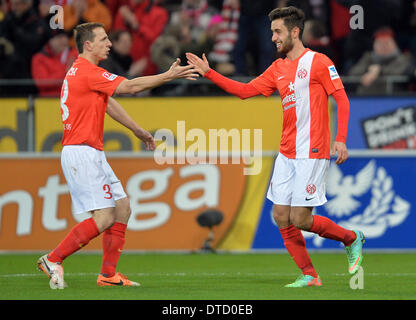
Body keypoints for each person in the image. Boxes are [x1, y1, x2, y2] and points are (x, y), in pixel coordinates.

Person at [186, 6, 365, 288]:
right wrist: (209, 73)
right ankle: (310, 275)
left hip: (312, 151)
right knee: (281, 216)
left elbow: (342, 100)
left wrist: (340, 139)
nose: (273, 38)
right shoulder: (278, 68)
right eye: (271, 32)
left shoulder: (319, 62)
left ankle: (351, 238)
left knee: (301, 219)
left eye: (278, 31)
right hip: (286, 153)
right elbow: (245, 92)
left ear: (295, 31)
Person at [37, 22, 197, 289]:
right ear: (88, 45)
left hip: (90, 151)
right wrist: (168, 76)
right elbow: (132, 87)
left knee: (122, 208)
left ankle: (108, 275)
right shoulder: (87, 71)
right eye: (103, 39)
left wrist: (137, 130)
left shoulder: (80, 72)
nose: (109, 43)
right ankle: (52, 259)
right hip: (82, 152)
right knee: (104, 217)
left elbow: (108, 103)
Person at [348, 27, 413, 95]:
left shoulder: (403, 58)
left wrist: (379, 71)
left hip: (392, 99)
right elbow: (353, 72)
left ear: (394, 44)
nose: (383, 46)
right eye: (379, 43)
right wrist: (368, 69)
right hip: (366, 98)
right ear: (374, 45)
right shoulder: (368, 58)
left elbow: (402, 71)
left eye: (387, 42)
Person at [31, 29, 78, 96]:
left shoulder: (75, 54)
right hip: (49, 101)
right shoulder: (39, 58)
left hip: (73, 99)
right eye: (59, 37)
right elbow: (42, 84)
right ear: (50, 40)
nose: (64, 40)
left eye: (65, 37)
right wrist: (66, 73)